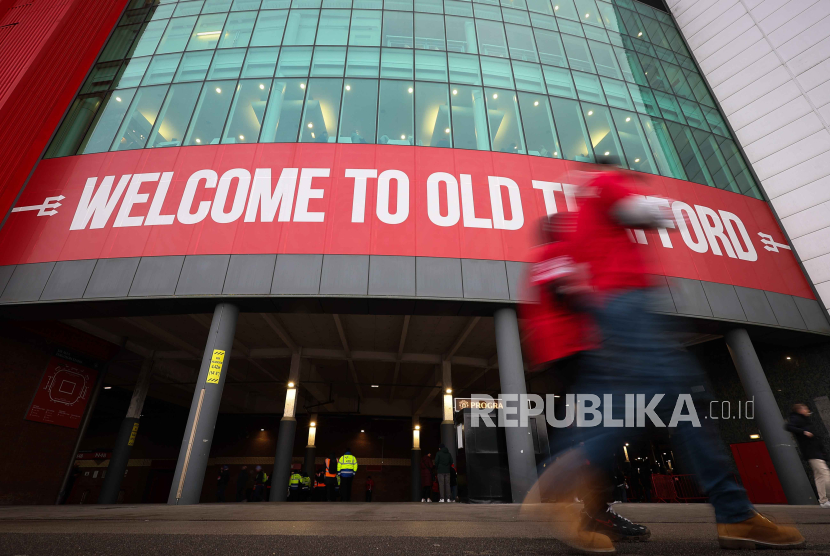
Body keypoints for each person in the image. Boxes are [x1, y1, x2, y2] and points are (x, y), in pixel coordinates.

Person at [536, 159, 804, 552]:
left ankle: (733, 513)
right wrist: (664, 210)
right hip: (622, 313)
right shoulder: (604, 181)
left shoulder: (579, 219)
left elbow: (578, 283)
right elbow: (639, 214)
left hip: (611, 318)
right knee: (678, 405)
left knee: (645, 407)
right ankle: (733, 514)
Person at [786, 403, 830, 508]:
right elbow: (788, 426)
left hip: (814, 451)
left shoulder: (805, 420)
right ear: (799, 410)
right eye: (804, 408)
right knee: (825, 474)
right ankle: (825, 499)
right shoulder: (796, 418)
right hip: (812, 451)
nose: (807, 410)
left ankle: (823, 501)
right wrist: (804, 432)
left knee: (819, 476)